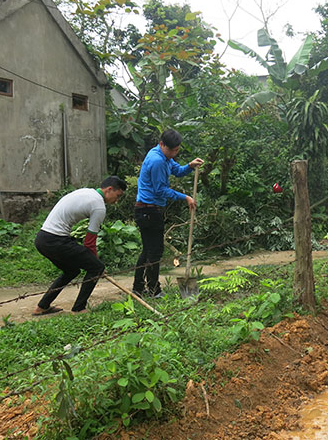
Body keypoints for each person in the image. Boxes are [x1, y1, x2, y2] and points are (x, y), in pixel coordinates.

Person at [32, 176, 127, 315]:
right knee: (97, 267)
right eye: (117, 196)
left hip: (42, 239)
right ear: (109, 189)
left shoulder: (87, 192)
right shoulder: (99, 206)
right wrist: (96, 264)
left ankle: (42, 306)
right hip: (56, 240)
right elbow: (89, 242)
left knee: (72, 270)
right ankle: (79, 308)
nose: (116, 200)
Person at [133, 129, 204, 298]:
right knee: (155, 252)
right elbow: (160, 190)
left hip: (149, 209)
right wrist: (185, 197)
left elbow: (177, 171)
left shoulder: (165, 156)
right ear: (161, 144)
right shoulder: (157, 160)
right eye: (172, 150)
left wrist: (189, 166)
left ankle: (139, 288)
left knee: (149, 251)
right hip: (148, 210)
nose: (174, 153)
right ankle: (153, 290)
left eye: (177, 150)